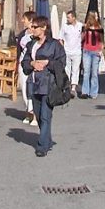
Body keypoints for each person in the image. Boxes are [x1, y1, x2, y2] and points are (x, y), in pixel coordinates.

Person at [21, 15, 66, 157]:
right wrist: (32, 64)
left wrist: (47, 63)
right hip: (34, 83)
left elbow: (61, 63)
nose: (32, 29)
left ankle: (42, 146)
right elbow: (25, 62)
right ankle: (47, 139)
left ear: (44, 28)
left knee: (46, 115)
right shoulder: (31, 45)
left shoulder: (54, 45)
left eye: (35, 27)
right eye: (32, 26)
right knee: (39, 115)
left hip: (48, 84)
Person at [15, 11, 37, 125]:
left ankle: (34, 115)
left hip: (33, 65)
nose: (23, 21)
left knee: (32, 88)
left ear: (30, 20)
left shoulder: (37, 33)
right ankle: (28, 112)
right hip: (22, 64)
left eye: (24, 19)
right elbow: (18, 50)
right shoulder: (22, 34)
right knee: (24, 88)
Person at [79, 11, 104, 99]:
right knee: (86, 72)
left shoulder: (99, 27)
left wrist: (101, 50)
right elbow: (81, 39)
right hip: (86, 51)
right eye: (96, 16)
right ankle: (85, 91)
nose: (97, 17)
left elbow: (101, 40)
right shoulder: (85, 27)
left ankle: (93, 92)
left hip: (95, 51)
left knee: (94, 73)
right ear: (92, 17)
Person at [59, 10, 83, 97]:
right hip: (67, 51)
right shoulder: (65, 26)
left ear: (74, 18)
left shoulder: (80, 26)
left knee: (75, 70)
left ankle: (73, 88)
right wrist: (63, 48)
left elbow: (83, 37)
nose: (67, 19)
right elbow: (60, 38)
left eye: (69, 17)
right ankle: (67, 87)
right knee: (67, 69)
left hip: (77, 51)